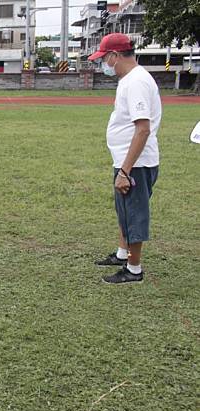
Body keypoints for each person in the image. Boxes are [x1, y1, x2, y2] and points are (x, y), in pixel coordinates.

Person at [89, 33, 162, 284]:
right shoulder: (130, 80)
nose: (103, 65)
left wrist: (125, 171)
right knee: (125, 213)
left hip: (135, 165)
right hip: (128, 162)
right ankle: (123, 254)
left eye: (103, 59)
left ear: (114, 56)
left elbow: (143, 128)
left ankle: (133, 267)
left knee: (134, 216)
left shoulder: (136, 82)